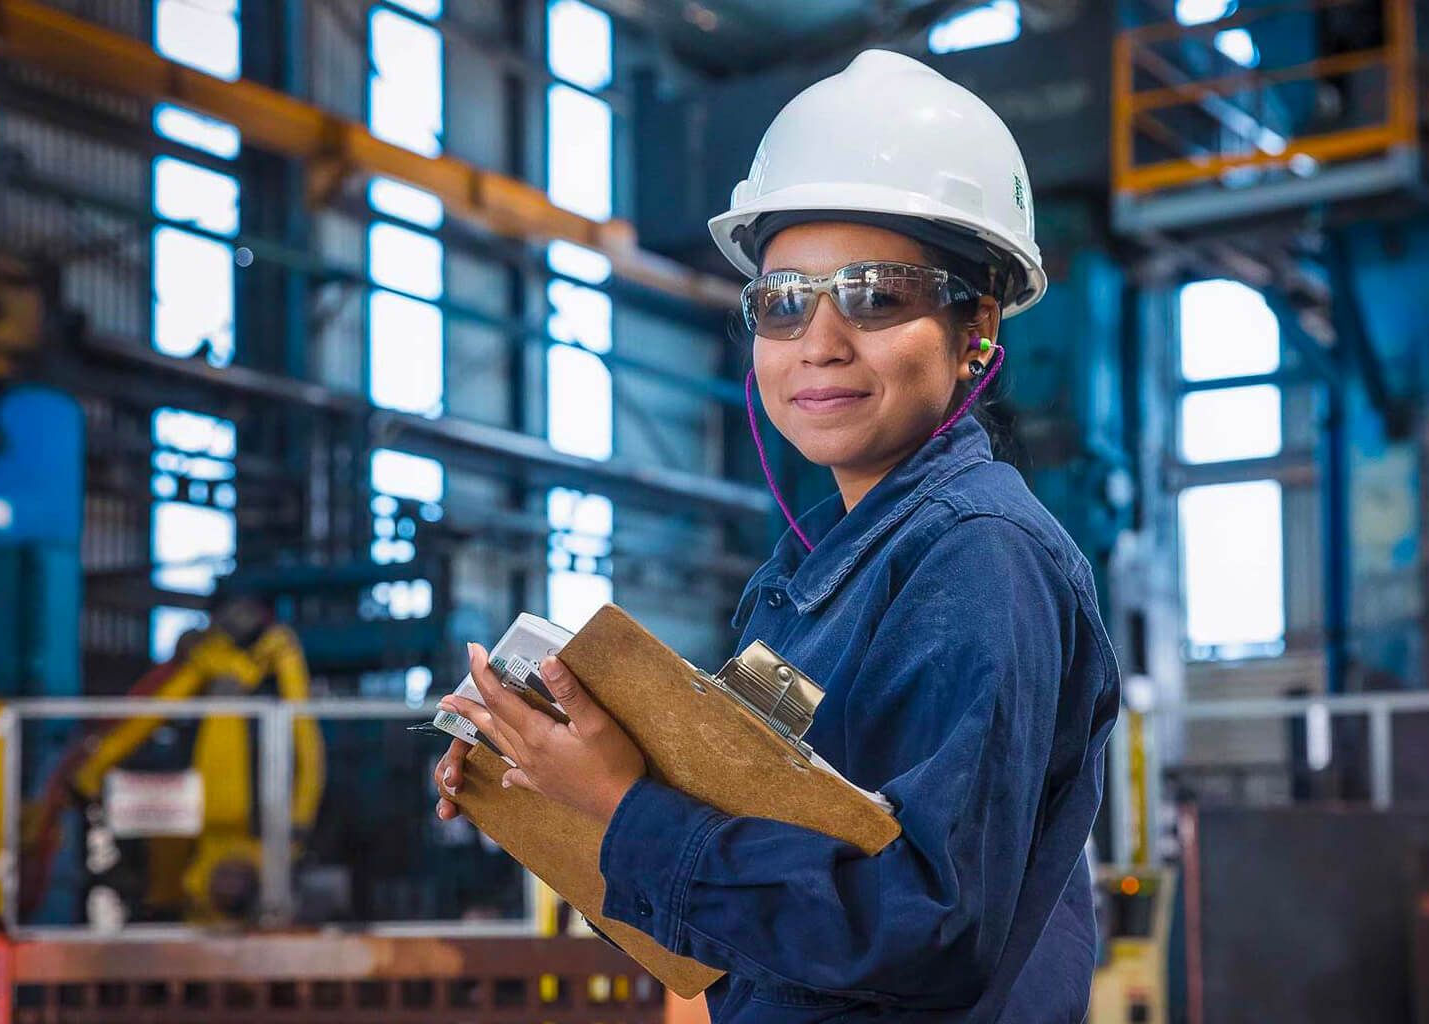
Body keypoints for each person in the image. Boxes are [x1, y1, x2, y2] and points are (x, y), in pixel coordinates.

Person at [432, 49, 1120, 1023]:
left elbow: (924, 929)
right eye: (784, 301)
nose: (819, 341)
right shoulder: (803, 576)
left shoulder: (982, 556)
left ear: (978, 323)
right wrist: (549, 786)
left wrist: (632, 809)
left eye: (877, 294)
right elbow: (757, 890)